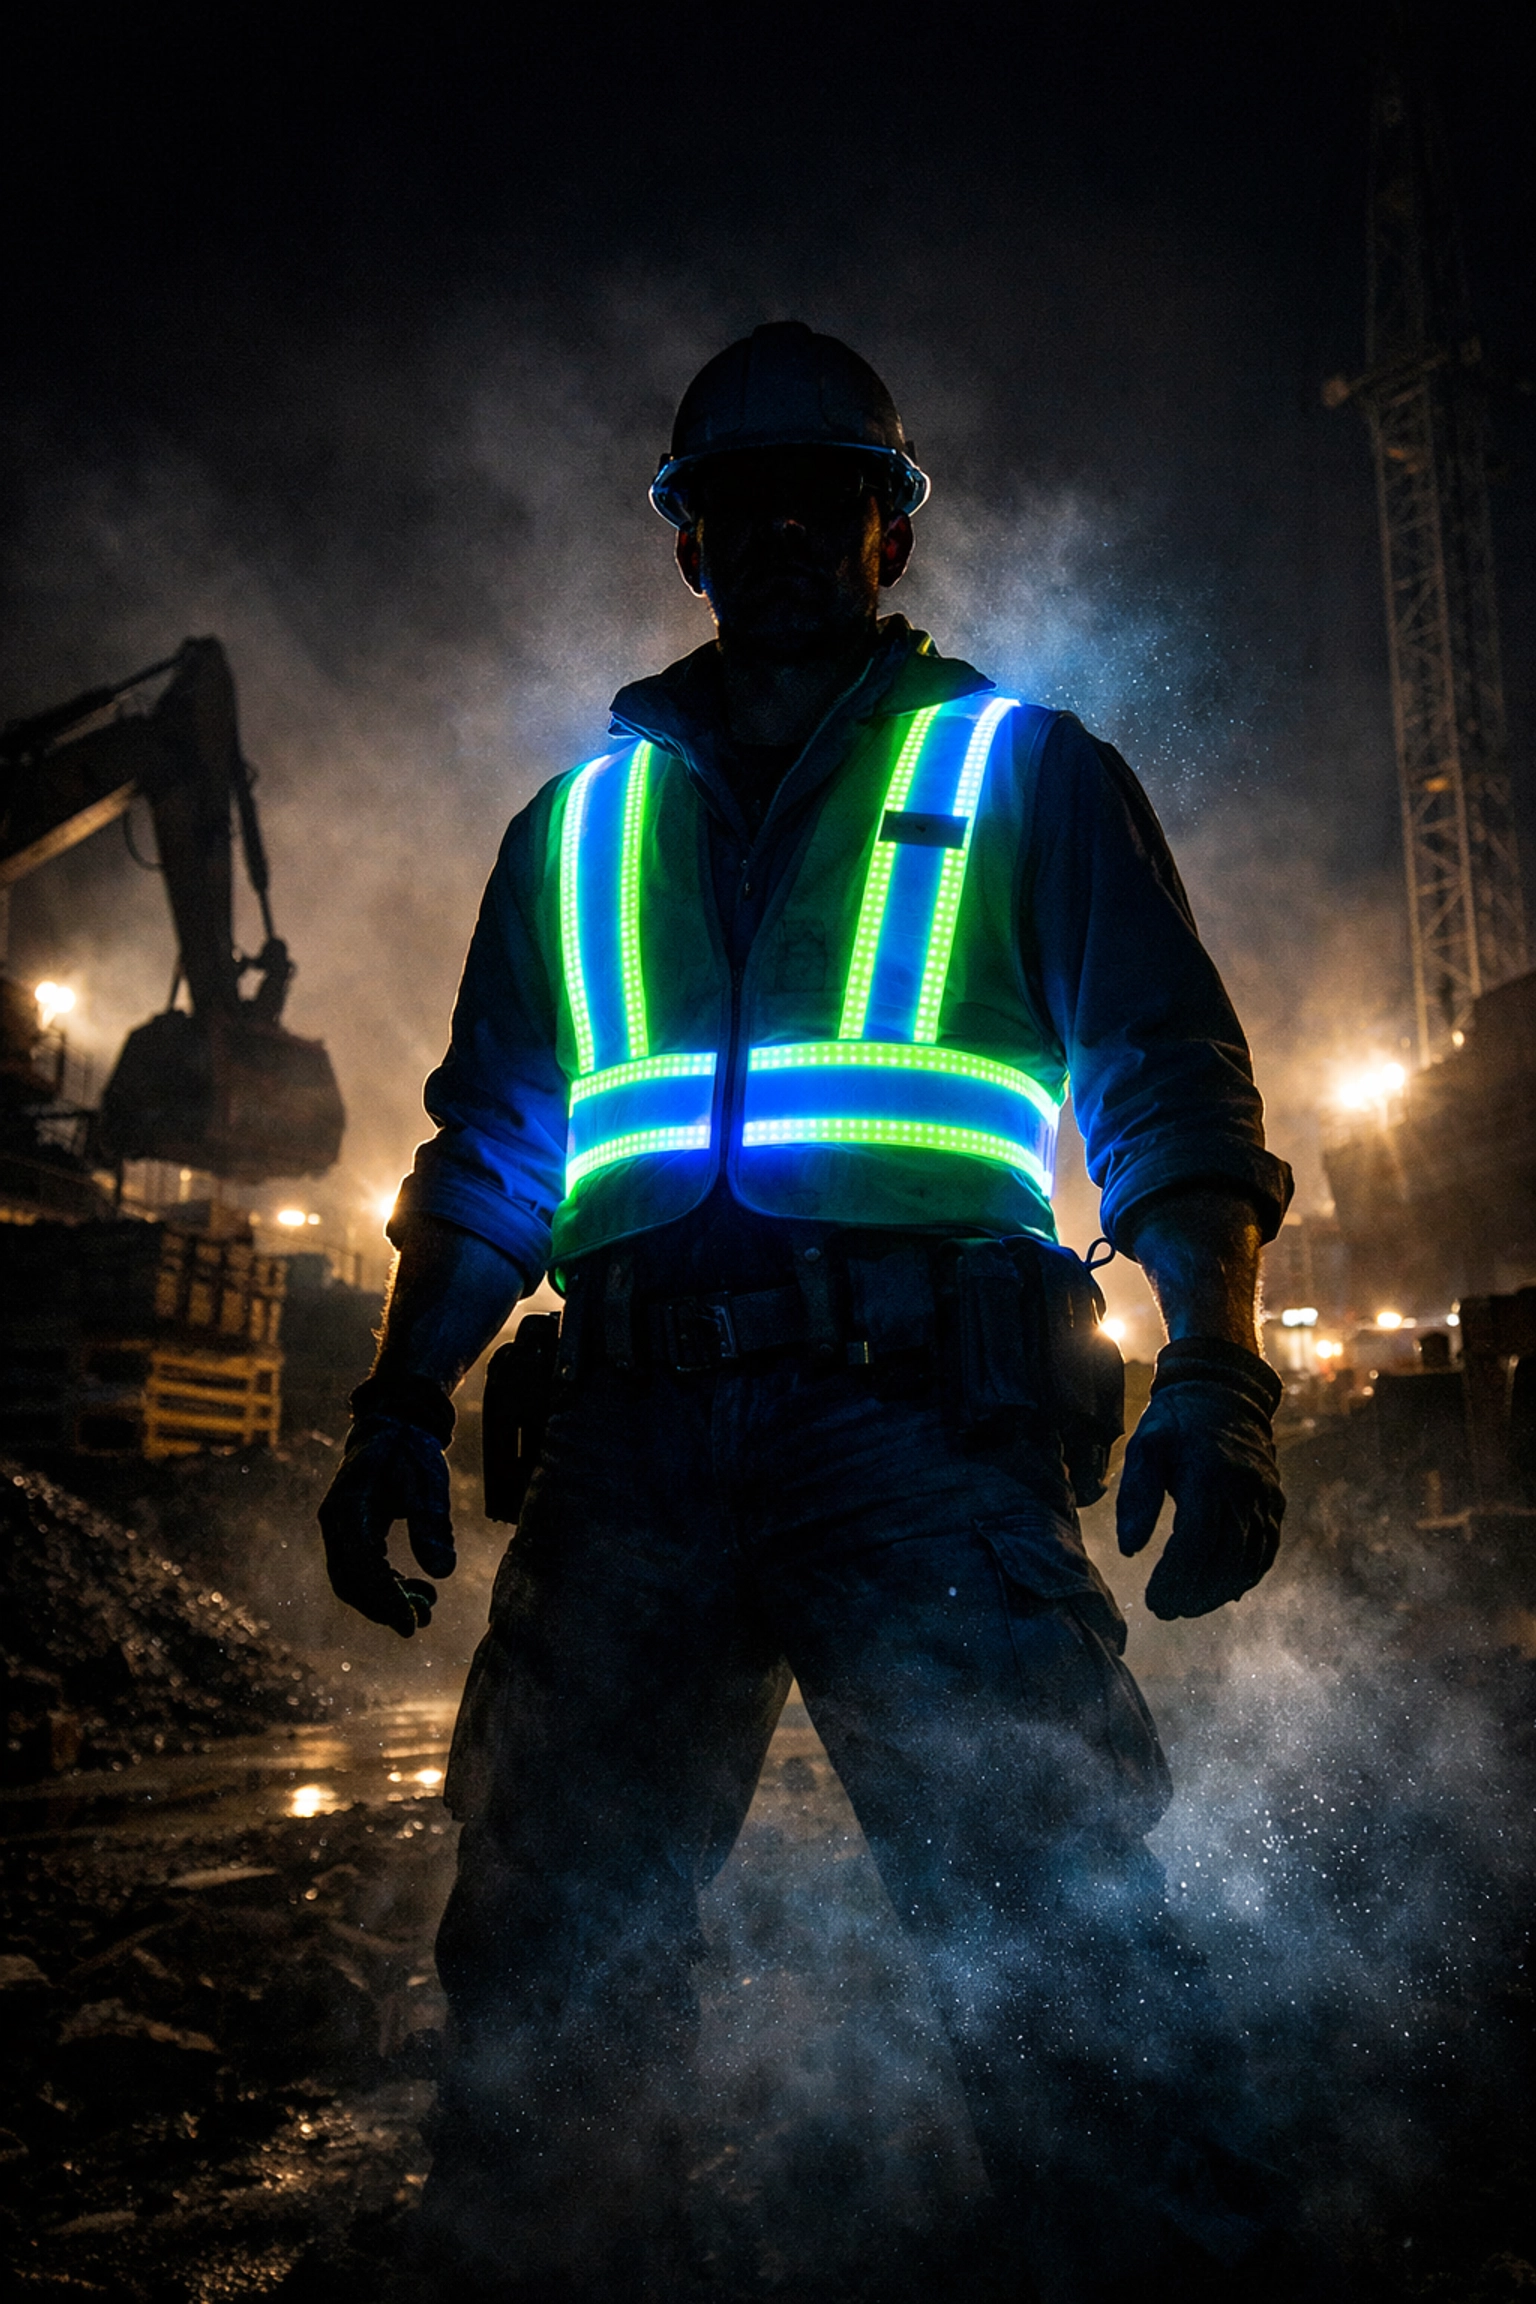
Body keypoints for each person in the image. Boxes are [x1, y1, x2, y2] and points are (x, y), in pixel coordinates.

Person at [319, 322, 1302, 2303]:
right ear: (685, 542)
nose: (776, 531)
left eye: (819, 499)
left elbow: (1172, 1094)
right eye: (735, 503)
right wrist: (400, 1401)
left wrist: (1218, 1363)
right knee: (547, 1962)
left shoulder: (1020, 773)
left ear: (888, 532)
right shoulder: (574, 830)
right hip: (626, 1454)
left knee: (1053, 1935)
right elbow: (491, 1153)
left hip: (918, 1436)